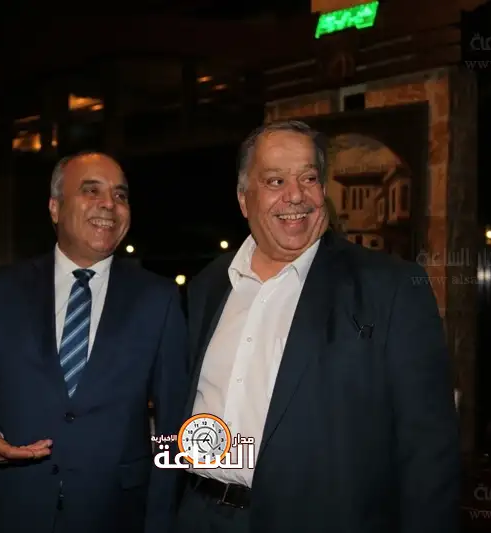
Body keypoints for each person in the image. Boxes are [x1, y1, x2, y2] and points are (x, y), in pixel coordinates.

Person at [176, 121, 460, 533]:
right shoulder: (207, 286)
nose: (296, 194)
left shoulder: (390, 288)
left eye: (308, 178)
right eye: (275, 180)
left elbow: (429, 448)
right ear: (243, 198)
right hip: (198, 516)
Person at [0, 151, 189, 533]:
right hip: (10, 508)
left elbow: (175, 425)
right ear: (55, 208)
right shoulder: (1, 289)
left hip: (114, 514)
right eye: (91, 190)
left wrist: (160, 522)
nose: (109, 204)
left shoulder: (159, 299)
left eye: (120, 195)